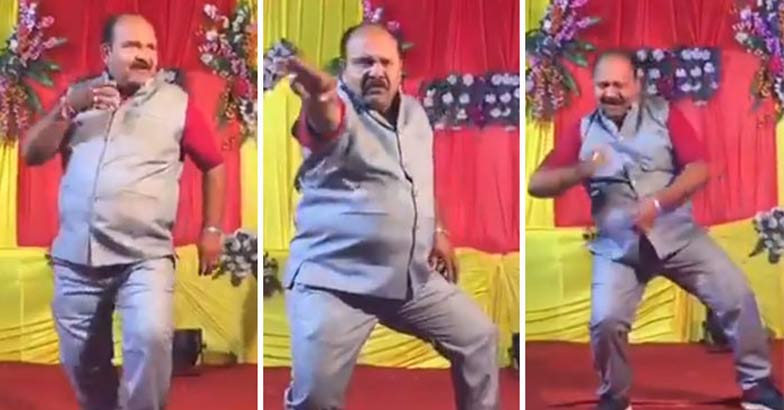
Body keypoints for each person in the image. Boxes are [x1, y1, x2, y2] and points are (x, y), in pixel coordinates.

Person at [528, 50, 783, 410]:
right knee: (605, 321)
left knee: (736, 296)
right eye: (603, 85)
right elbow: (537, 184)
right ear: (593, 86)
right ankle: (614, 397)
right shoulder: (583, 130)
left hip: (679, 238)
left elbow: (699, 168)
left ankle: (757, 386)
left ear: (637, 83)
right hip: (620, 249)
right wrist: (582, 170)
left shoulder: (664, 115)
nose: (611, 92)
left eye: (619, 84)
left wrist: (659, 203)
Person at [278, 23, 500, 410]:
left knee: (479, 338)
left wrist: (439, 230)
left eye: (385, 62)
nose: (376, 71)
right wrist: (321, 96)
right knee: (316, 398)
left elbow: (417, 181)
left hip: (408, 277)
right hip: (334, 282)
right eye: (364, 62)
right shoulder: (337, 110)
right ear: (344, 69)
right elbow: (326, 120)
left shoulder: (415, 114)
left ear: (400, 69)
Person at [21, 14, 226, 410]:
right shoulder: (79, 99)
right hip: (77, 258)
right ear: (106, 53)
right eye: (132, 46)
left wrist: (212, 229)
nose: (144, 56)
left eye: (151, 47)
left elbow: (214, 165)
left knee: (150, 338)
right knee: (82, 362)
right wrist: (67, 108)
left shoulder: (176, 104)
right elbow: (32, 154)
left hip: (144, 257)